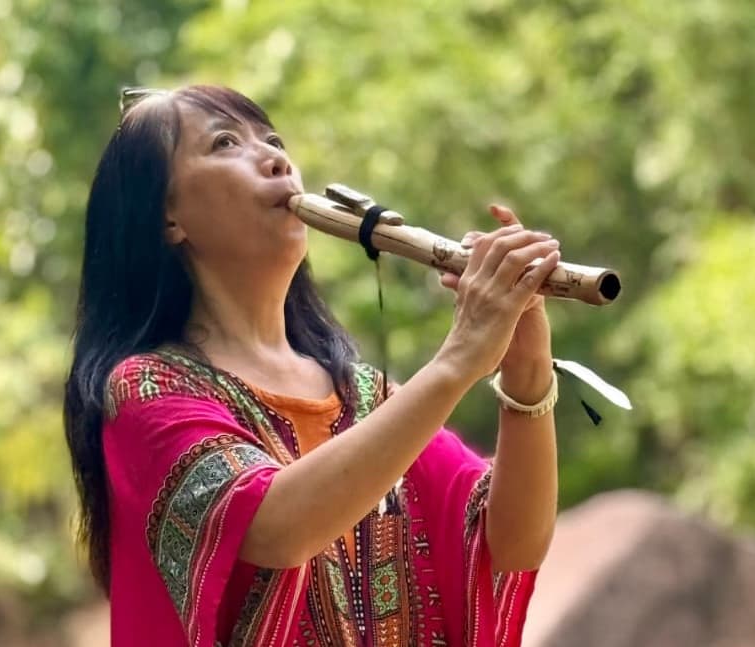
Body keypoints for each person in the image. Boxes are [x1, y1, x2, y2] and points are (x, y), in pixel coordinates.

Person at [63, 84, 561, 647]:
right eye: (225, 143)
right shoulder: (145, 390)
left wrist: (527, 369)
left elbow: (514, 542)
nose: (276, 158)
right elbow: (276, 525)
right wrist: (461, 355)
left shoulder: (368, 399)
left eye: (273, 140)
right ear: (167, 217)